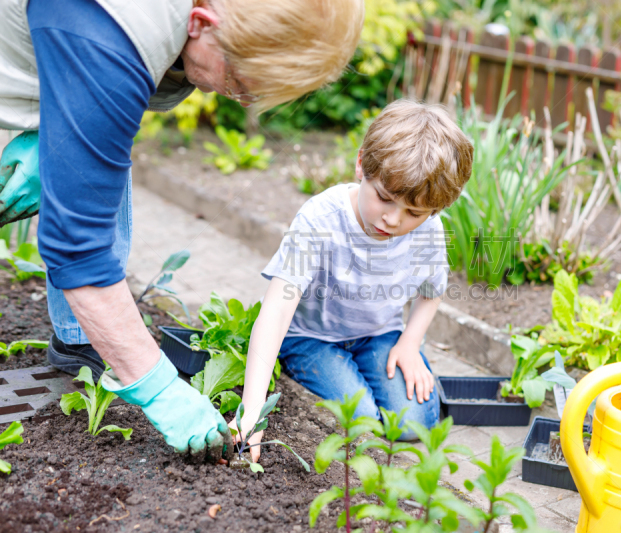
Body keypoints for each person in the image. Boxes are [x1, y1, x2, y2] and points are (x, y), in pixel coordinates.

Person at [0, 0, 364, 462]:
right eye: (242, 84)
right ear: (201, 24)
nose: (244, 100)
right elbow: (78, 250)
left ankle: (80, 337)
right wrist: (158, 388)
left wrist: (62, 127)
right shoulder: (114, 22)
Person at [232, 99, 474, 461]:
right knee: (362, 423)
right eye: (385, 198)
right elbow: (277, 311)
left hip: (378, 334)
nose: (393, 220)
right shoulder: (320, 219)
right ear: (362, 164)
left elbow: (431, 291)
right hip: (311, 339)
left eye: (414, 212)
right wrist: (251, 410)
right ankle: (314, 374)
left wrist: (409, 344)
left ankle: (362, 371)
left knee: (416, 423)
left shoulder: (429, 230)